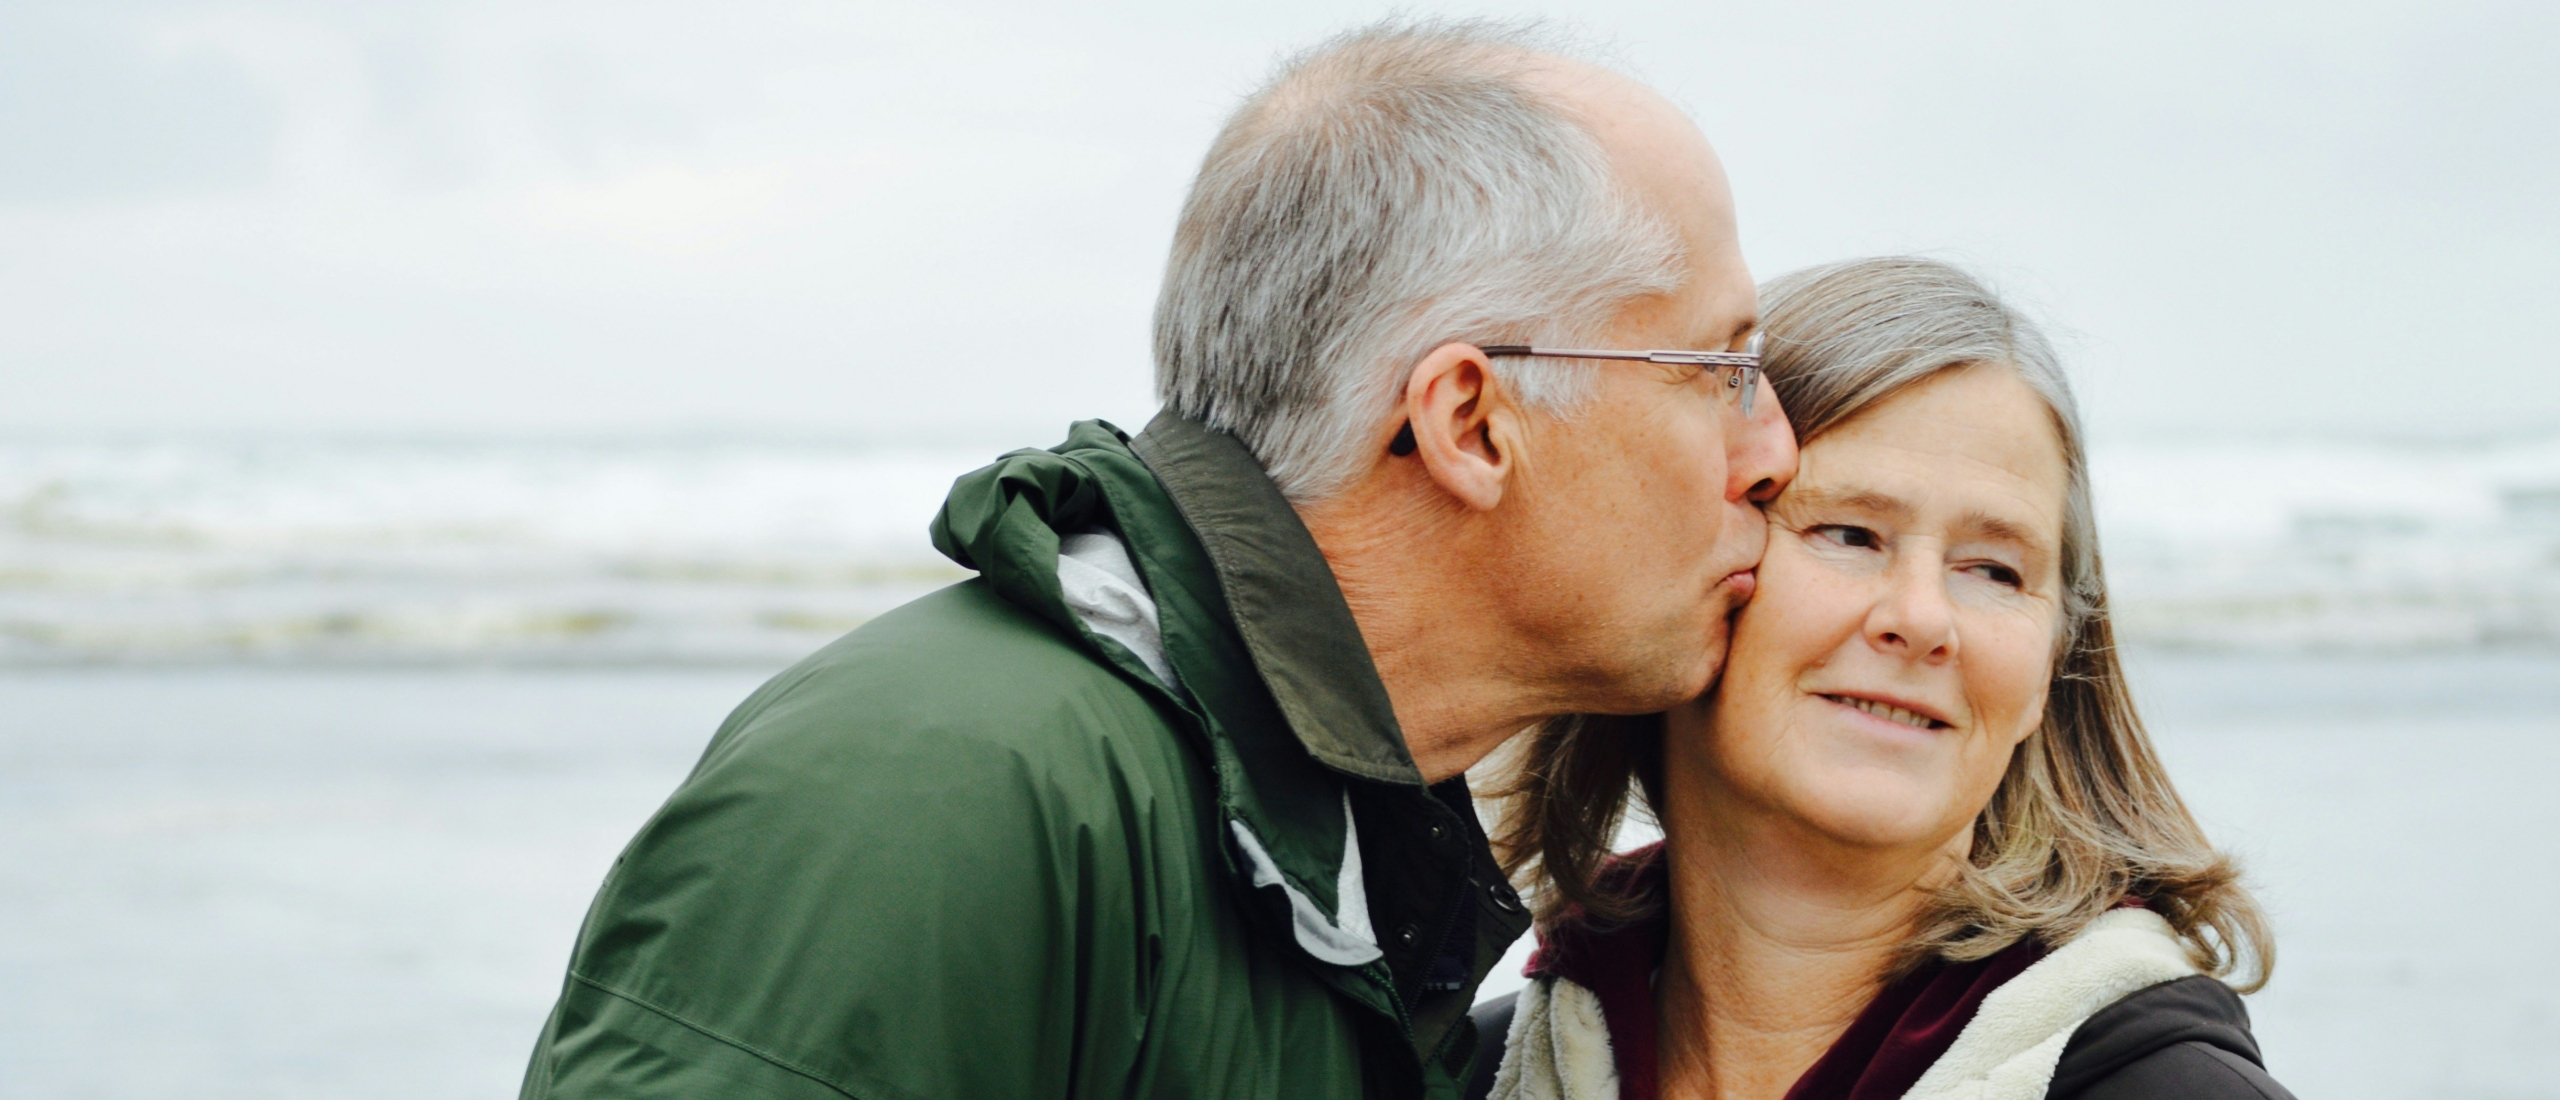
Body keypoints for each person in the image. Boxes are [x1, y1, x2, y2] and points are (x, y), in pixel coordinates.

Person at [515, 19, 1797, 1100]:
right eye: (1723, 370)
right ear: (1470, 421)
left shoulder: (1345, 838)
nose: (1774, 450)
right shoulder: (941, 792)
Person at [1469, 257, 2290, 1100]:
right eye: (1851, 534)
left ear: (2052, 663)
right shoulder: (1466, 1073)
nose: (1925, 618)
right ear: (1689, 568)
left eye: (1996, 570)